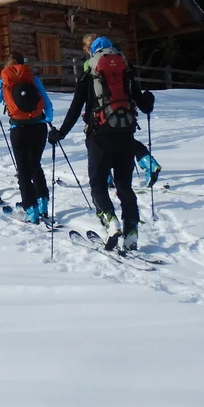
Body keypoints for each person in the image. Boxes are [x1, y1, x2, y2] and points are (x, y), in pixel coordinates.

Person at [49, 36, 155, 250]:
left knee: (97, 184)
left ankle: (110, 221)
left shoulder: (90, 72)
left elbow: (75, 108)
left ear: (92, 52)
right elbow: (144, 105)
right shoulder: (125, 69)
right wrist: (148, 99)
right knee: (124, 185)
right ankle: (131, 230)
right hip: (126, 134)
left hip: (99, 136)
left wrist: (60, 133)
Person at [0, 53, 54, 223]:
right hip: (39, 127)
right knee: (35, 165)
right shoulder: (33, 79)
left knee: (23, 170)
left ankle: (31, 209)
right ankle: (42, 202)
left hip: (19, 129)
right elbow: (49, 106)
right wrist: (46, 119)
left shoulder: (3, 83)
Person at [80, 33, 161, 187]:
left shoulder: (91, 63)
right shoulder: (119, 57)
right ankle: (148, 162)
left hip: (102, 112)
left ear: (88, 47)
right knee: (125, 139)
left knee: (99, 142)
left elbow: (92, 94)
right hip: (125, 106)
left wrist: (89, 114)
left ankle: (106, 177)